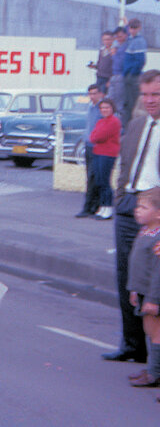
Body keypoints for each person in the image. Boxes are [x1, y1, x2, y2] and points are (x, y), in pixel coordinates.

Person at [105, 69, 160, 364]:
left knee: (154, 282)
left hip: (157, 214)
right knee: (127, 277)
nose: (150, 100)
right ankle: (131, 345)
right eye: (146, 94)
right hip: (129, 206)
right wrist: (121, 198)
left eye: (156, 94)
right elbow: (124, 166)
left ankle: (155, 356)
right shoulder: (137, 125)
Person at [126, 187, 160, 388]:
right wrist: (133, 289)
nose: (137, 210)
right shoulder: (144, 230)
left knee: (156, 333)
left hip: (153, 293)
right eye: (138, 206)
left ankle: (154, 373)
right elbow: (138, 264)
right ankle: (152, 368)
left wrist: (153, 299)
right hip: (142, 290)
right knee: (149, 331)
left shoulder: (157, 238)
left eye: (143, 207)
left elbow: (158, 272)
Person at [76, 84, 105, 218]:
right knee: (90, 177)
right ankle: (93, 206)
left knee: (95, 177)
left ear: (100, 94)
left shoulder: (103, 108)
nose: (92, 96)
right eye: (90, 94)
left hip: (98, 146)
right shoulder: (90, 108)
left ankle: (89, 207)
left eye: (94, 93)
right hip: (88, 145)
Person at [89, 98, 121, 220]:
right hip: (98, 152)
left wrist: (96, 136)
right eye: (102, 108)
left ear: (112, 108)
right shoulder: (100, 121)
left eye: (107, 107)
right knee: (99, 181)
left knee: (104, 181)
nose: (104, 110)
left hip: (108, 154)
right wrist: (96, 136)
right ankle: (102, 207)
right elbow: (93, 136)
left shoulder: (114, 121)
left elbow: (100, 136)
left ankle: (108, 208)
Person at [124, 18, 147, 124]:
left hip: (132, 77)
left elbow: (141, 61)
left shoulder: (139, 41)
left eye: (134, 28)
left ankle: (133, 126)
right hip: (128, 75)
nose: (132, 30)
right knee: (127, 103)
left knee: (133, 104)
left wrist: (131, 73)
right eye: (130, 28)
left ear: (139, 28)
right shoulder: (131, 39)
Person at [109, 27, 128, 122]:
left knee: (119, 104)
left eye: (120, 36)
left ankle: (120, 127)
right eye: (116, 37)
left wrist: (114, 55)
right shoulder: (118, 46)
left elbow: (120, 63)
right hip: (114, 75)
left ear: (125, 35)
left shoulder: (126, 47)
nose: (118, 38)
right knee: (111, 101)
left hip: (121, 76)